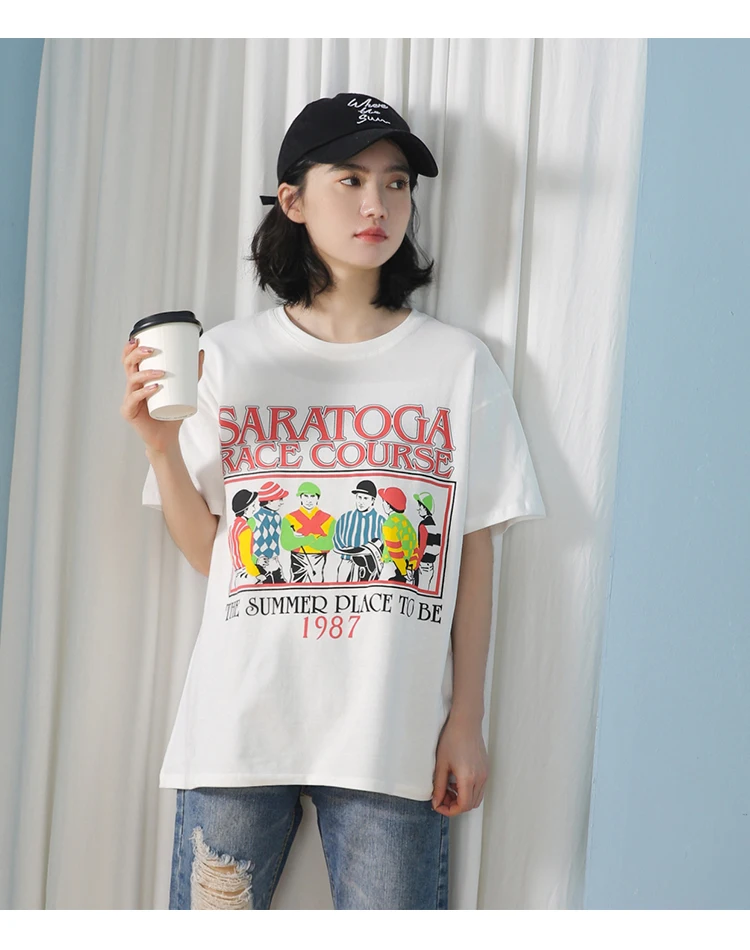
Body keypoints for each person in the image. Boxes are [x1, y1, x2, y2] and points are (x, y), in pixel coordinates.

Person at [121, 92, 547, 910]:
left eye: (395, 183)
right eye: (350, 179)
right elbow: (216, 558)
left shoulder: (457, 365)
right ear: (293, 199)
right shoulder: (227, 357)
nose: (376, 204)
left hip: (391, 735)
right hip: (239, 728)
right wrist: (159, 448)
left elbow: (472, 553)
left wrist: (466, 719)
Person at [332, 479, 385, 582]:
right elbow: (337, 539)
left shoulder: (381, 521)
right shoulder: (345, 518)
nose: (361, 502)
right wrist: (348, 551)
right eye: (359, 497)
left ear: (373, 500)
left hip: (370, 568)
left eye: (365, 498)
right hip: (346, 563)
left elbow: (383, 545)